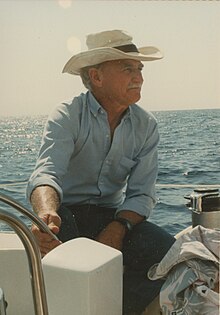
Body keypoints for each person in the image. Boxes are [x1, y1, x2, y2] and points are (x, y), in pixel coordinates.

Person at [27, 29, 175, 315]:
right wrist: (46, 214)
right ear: (96, 77)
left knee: (169, 254)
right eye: (128, 68)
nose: (139, 77)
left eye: (140, 69)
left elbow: (142, 194)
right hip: (64, 213)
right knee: (62, 249)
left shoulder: (146, 126)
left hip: (112, 216)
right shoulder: (67, 115)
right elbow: (47, 173)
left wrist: (117, 228)